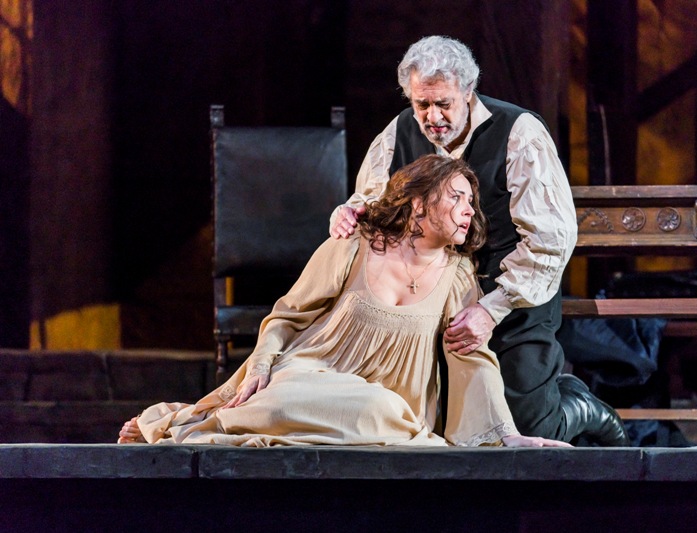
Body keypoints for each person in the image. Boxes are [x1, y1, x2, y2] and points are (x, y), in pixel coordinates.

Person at [118, 155, 570, 448]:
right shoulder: (356, 244)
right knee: (281, 400)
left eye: (471, 201)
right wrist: (260, 365)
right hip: (314, 372)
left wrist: (506, 435)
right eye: (456, 197)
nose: (469, 209)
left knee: (378, 411)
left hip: (390, 406)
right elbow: (288, 313)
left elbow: (472, 356)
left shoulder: (457, 275)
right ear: (417, 203)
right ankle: (185, 426)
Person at [330, 36, 628, 446]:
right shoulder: (399, 131)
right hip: (433, 297)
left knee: (528, 428)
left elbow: (550, 239)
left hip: (512, 293)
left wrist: (490, 309)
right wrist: (350, 211)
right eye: (422, 104)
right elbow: (372, 200)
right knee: (433, 418)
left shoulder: (518, 132)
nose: (432, 116)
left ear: (468, 91)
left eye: (443, 103)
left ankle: (580, 403)